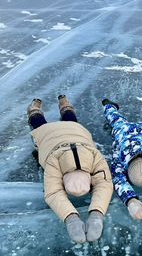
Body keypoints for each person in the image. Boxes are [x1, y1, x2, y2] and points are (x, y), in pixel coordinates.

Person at [27, 95, 113, 244]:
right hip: (51, 134)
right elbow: (104, 184)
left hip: (73, 133)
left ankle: (47, 106)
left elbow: (53, 192)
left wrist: (76, 216)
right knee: (39, 123)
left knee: (70, 122)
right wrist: (85, 215)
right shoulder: (57, 161)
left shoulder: (89, 157)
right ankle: (51, 105)